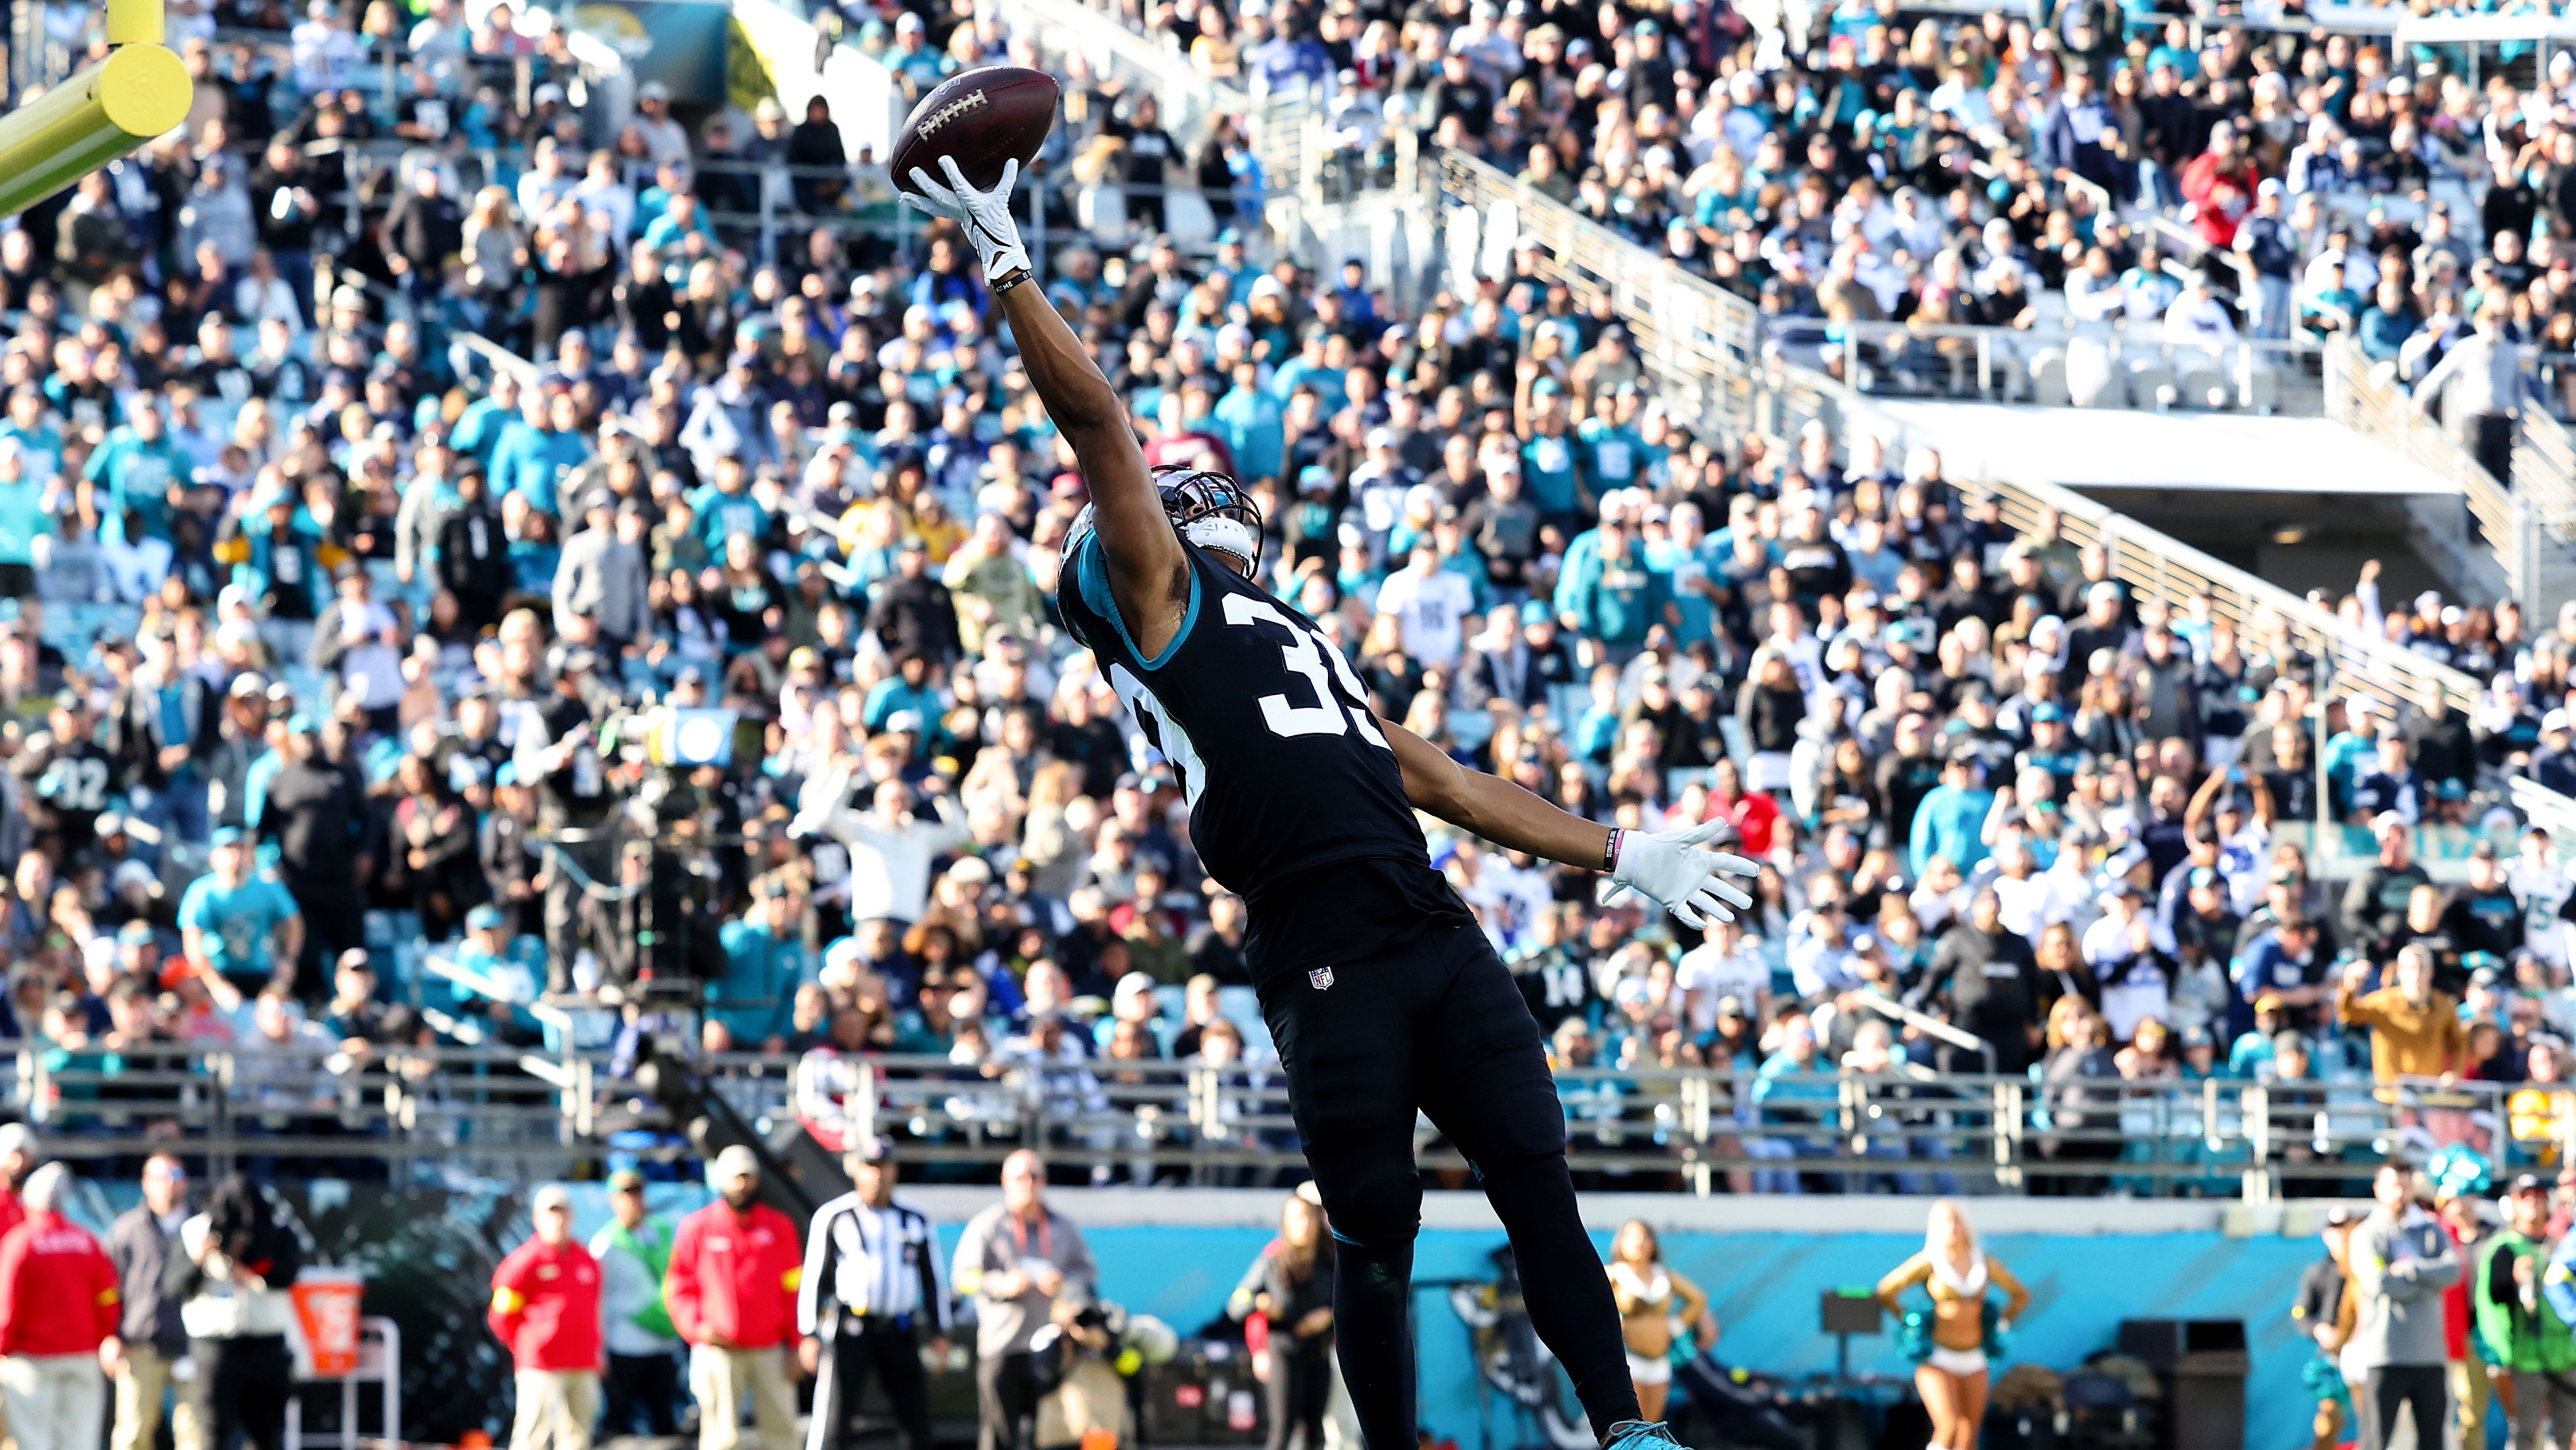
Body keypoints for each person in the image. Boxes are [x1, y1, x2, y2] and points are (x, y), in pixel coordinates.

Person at [901, 151, 1755, 1450]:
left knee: (1540, 1182)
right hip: (1319, 943)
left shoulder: (1285, 633)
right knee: (1372, 1236)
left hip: (1424, 920)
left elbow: (1450, 782)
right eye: (1189, 502)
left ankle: (1625, 1434)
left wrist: (1619, 849)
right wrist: (1011, 268)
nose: (1213, 506)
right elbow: (1099, 431)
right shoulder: (1164, 607)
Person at [798, 1137, 949, 1450]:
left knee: (915, 1416)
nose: (877, 1175)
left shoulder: (915, 1218)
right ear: (855, 1169)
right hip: (852, 1327)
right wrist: (809, 1333)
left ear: (895, 1170)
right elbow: (815, 1277)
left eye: (883, 1167)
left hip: (900, 1326)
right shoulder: (835, 1216)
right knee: (836, 1412)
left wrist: (939, 1330)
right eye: (870, 1167)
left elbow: (932, 1277)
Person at [952, 1150, 1096, 1450]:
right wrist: (1002, 1285)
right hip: (1002, 1342)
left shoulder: (1062, 1227)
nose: (1028, 1184)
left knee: (1046, 1432)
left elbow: (1087, 1272)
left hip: (1050, 1344)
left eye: (1035, 1176)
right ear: (1005, 1181)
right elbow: (963, 1278)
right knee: (998, 1434)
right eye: (1021, 1177)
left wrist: (1064, 1286)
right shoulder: (989, 1225)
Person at [665, 1145, 801, 1450]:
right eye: (735, 1178)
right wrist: (697, 1327)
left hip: (770, 1348)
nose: (742, 1185)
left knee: (783, 1433)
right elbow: (678, 1288)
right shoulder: (697, 1228)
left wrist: (796, 1343)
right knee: (721, 1438)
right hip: (718, 1349)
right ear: (721, 1180)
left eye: (748, 1177)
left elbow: (794, 1289)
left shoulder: (779, 1227)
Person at [1873, 1201, 2030, 1450]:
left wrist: (2000, 1322)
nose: (1953, 1226)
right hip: (1938, 1356)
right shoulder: (1930, 1260)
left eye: (1957, 1220)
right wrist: (1909, 1321)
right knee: (1949, 1426)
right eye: (1946, 1221)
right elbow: (1886, 1291)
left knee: (1969, 1434)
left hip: (1975, 1356)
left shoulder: (1983, 1262)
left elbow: (2021, 1294)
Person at [169, 1175, 300, 1450]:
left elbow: (287, 1274)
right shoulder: (195, 1231)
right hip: (216, 1348)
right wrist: (203, 1257)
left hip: (266, 1345)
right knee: (213, 1432)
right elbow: (174, 1286)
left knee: (267, 1434)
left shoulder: (277, 1230)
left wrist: (252, 1264)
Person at [0, 1164, 119, 1450]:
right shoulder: (88, 1241)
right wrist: (99, 1337)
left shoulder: (20, 1241)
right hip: (82, 1357)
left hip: (31, 1362)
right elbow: (109, 1298)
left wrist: (3, 1346)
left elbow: (7, 1306)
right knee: (80, 1441)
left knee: (35, 1441)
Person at [2350, 1160, 2458, 1450]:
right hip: (2386, 1355)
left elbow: (2452, 1271)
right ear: (2378, 1189)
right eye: (2393, 1185)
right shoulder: (2367, 1233)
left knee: (2433, 1440)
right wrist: (2428, 1284)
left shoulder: (2430, 1231)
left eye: (2405, 1185)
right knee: (2376, 1440)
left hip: (2430, 1357)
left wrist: (2412, 1270)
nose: (2400, 1192)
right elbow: (2380, 1283)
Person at [488, 1184, 604, 1450]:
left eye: (563, 1213)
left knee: (578, 1436)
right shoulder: (523, 1262)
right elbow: (502, 1316)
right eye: (551, 1213)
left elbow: (592, 1310)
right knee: (533, 1435)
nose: (558, 1220)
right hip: (541, 1365)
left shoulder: (586, 1260)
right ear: (537, 1218)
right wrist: (531, 1345)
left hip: (583, 1362)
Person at [1227, 1187, 1336, 1450]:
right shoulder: (1272, 1260)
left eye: (1310, 1217)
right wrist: (1260, 1303)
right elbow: (1237, 1303)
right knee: (1283, 1428)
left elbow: (1350, 1303)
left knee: (1316, 1430)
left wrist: (1328, 1316)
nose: (1305, 1224)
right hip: (1283, 1351)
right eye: (1298, 1217)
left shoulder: (1330, 1261)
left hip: (1318, 1352)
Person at [106, 1154, 200, 1450]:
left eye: (176, 1175)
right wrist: (110, 1334)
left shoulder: (203, 1226)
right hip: (141, 1343)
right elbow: (110, 1288)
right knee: (133, 1432)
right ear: (146, 1183)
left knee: (195, 1433)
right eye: (161, 1176)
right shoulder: (128, 1228)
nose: (169, 1184)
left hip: (194, 1342)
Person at [589, 1169, 682, 1439]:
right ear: (613, 1200)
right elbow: (600, 1301)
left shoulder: (661, 1232)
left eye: (638, 1192)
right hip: (625, 1346)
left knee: (664, 1417)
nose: (634, 1200)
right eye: (626, 1194)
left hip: (663, 1341)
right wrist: (599, 1349)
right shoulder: (606, 1244)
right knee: (619, 1418)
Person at [2487, 1175, 2576, 1450]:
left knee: (2566, 1434)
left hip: (2564, 1353)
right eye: (2525, 1196)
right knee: (2525, 1433)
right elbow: (2494, 1296)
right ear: (2513, 1203)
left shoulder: (2561, 1243)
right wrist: (2514, 1278)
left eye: (2538, 1195)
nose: (2533, 1202)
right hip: (2526, 1356)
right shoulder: (2505, 1246)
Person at [1606, 1221, 1712, 1425]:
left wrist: (1676, 1325)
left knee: (1651, 1425)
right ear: (1620, 1242)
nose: (1639, 1242)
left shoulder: (1662, 1274)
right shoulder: (1614, 1274)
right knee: (1629, 1424)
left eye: (1645, 1236)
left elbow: (1697, 1299)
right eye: (1632, 1236)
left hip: (1660, 1361)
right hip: (1628, 1359)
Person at [2292, 1207, 2358, 1450]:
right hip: (2335, 1358)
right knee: (2329, 1421)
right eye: (2336, 1231)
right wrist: (2318, 1329)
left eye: (2346, 1230)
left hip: (2366, 1351)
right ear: (2326, 1234)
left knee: (2375, 1419)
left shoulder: (2365, 1269)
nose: (2341, 1236)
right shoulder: (2318, 1273)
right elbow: (2301, 1313)